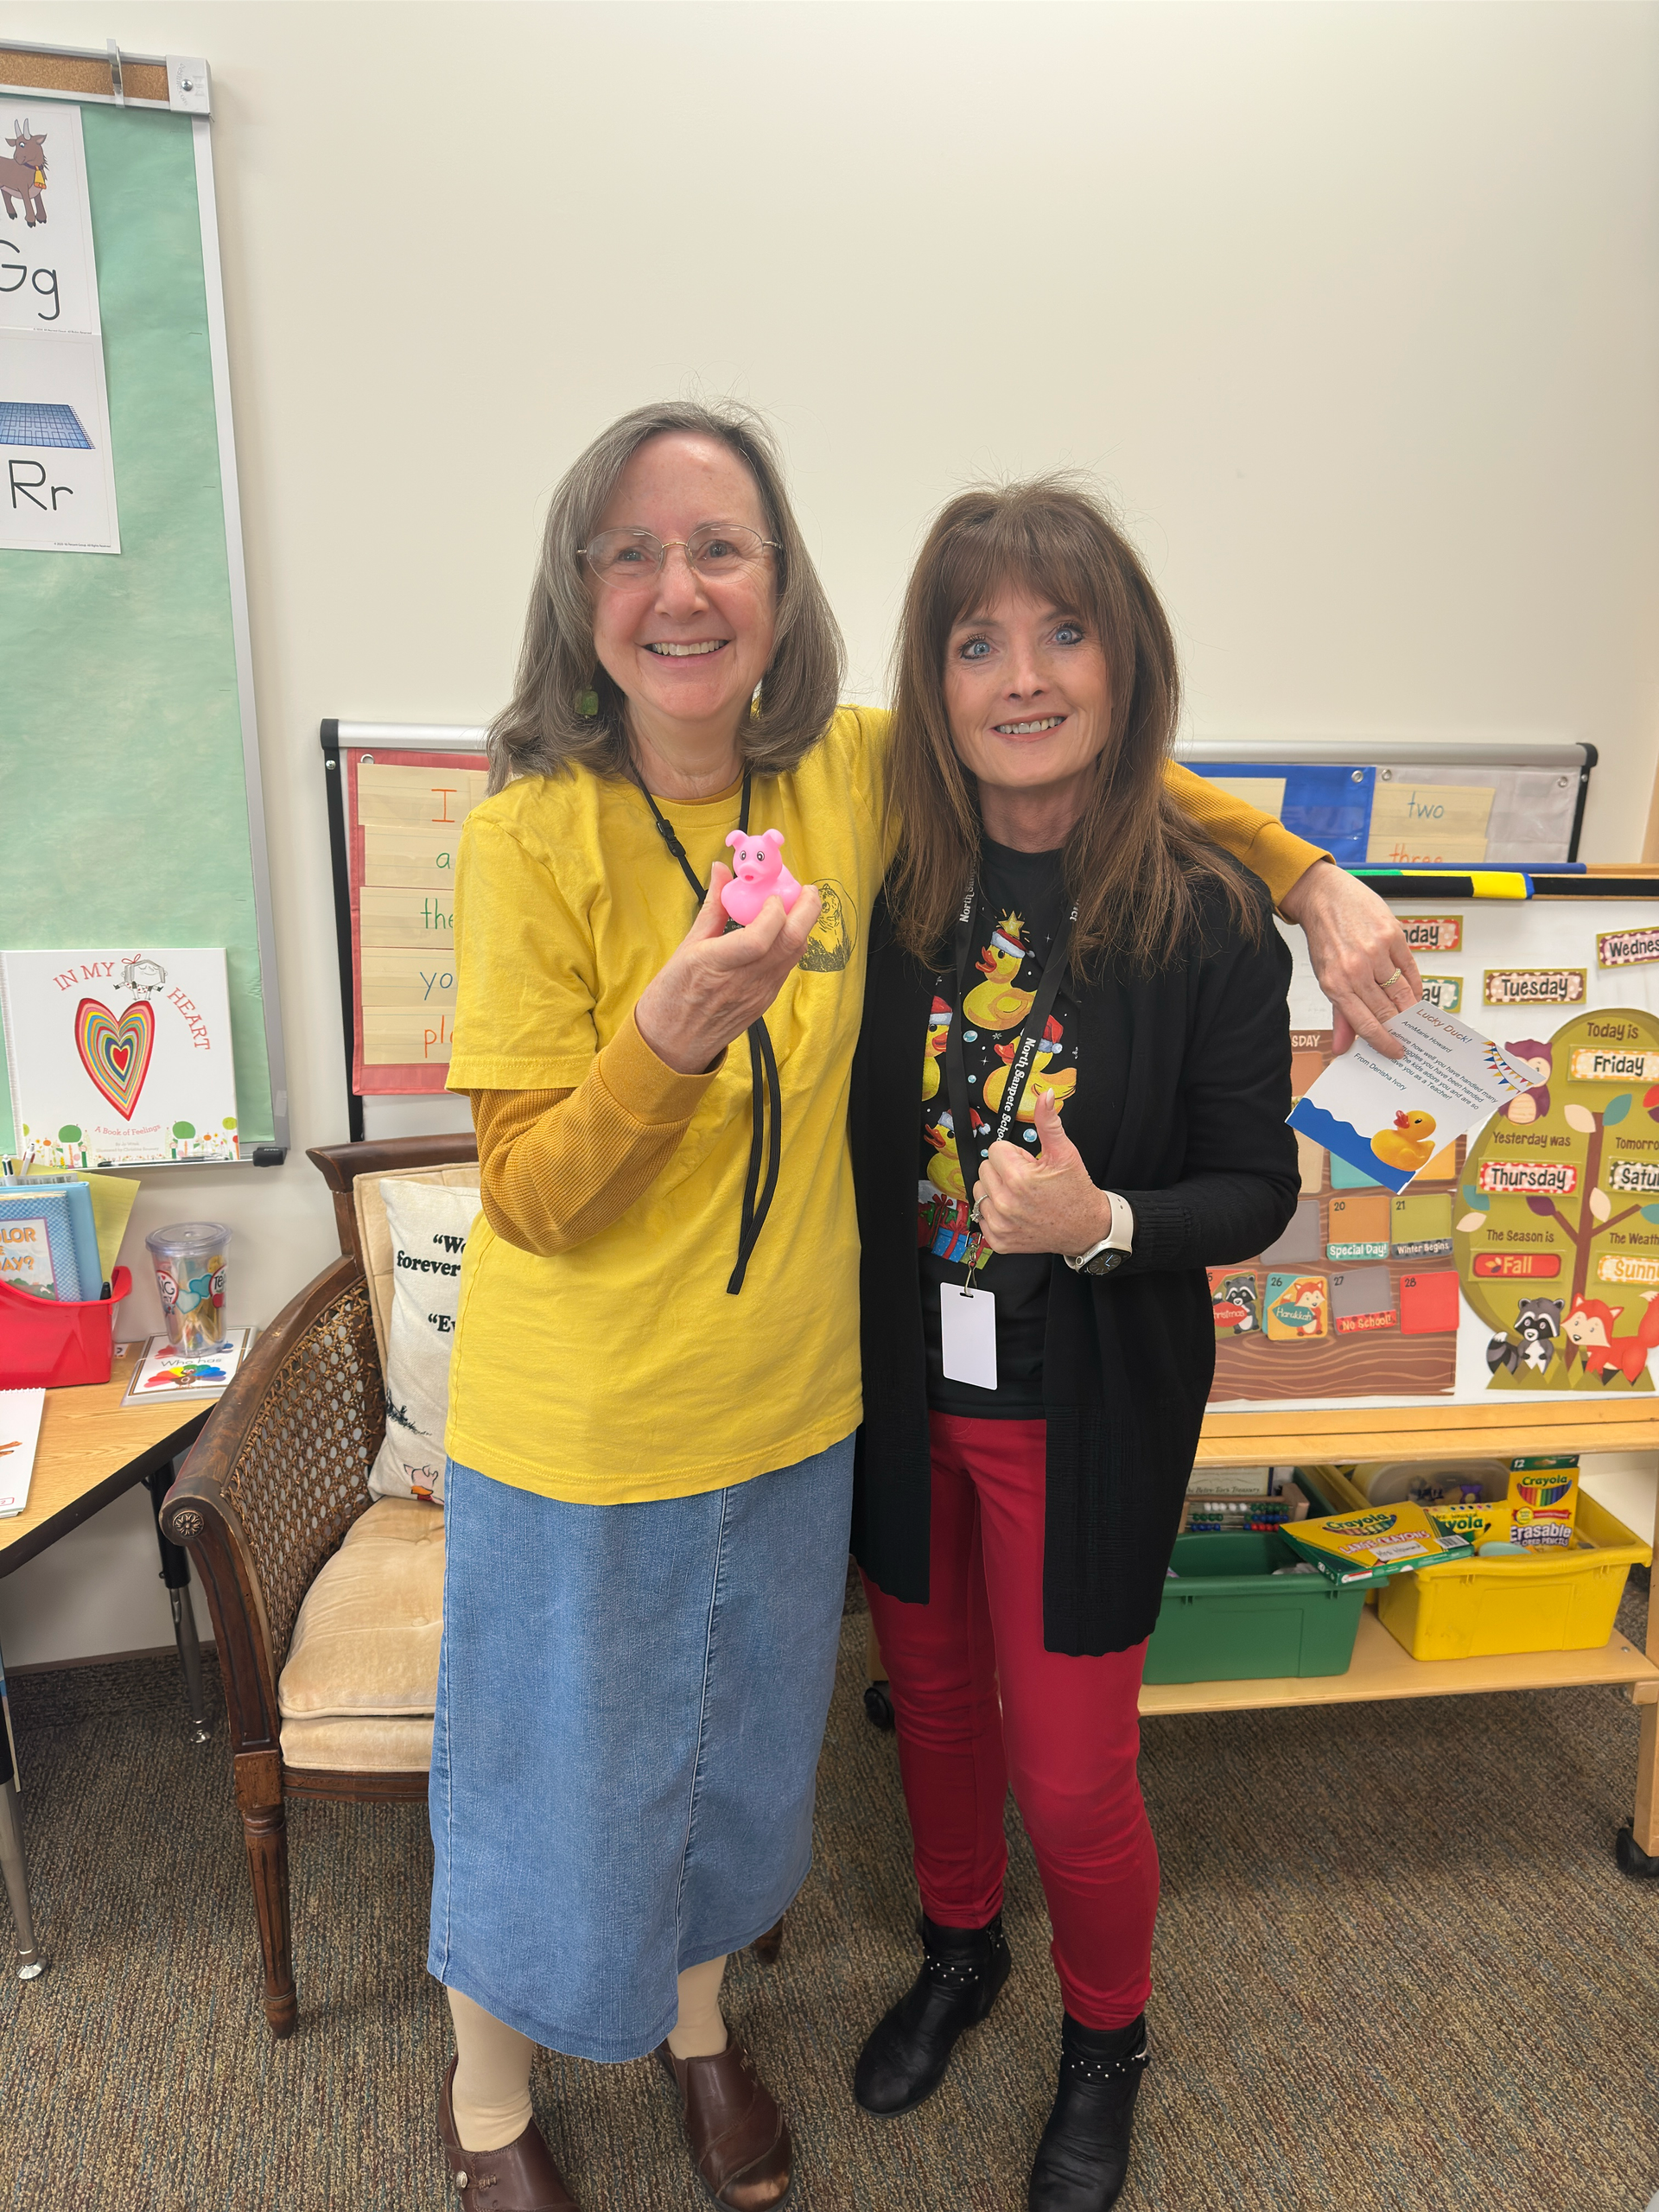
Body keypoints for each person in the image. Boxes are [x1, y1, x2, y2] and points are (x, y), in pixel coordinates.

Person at [430, 399, 1414, 2212]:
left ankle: (912, 2031)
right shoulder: (680, 837)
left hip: (939, 1406)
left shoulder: (1011, 845)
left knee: (905, 1768)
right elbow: (533, 1188)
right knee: (734, 1745)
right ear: (578, 598)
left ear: (782, 583)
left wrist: (1305, 871)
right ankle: (596, 2069)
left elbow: (1097, 784)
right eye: (633, 553)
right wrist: (667, 1035)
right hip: (728, 1406)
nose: (680, 588)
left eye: (720, 545)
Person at [848, 479, 1302, 2212]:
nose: (1020, 674)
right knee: (938, 1710)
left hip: (1083, 1409)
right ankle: (962, 1948)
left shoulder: (1202, 917)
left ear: (1126, 665)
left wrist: (1106, 1223)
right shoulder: (894, 886)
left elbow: (1252, 1187)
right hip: (904, 1390)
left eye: (1061, 631)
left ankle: (1106, 2033)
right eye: (977, 640)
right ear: (935, 678)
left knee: (1074, 1768)